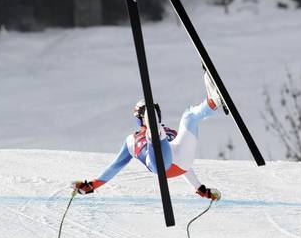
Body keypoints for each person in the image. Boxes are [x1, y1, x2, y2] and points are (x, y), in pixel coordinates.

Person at [73, 69, 223, 201]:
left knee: (189, 117)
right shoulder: (131, 140)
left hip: (181, 161)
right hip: (160, 165)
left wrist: (200, 188)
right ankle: (153, 130)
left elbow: (184, 164)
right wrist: (92, 185)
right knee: (157, 134)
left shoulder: (170, 132)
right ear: (140, 118)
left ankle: (213, 102)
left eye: (155, 112)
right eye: (151, 113)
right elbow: (115, 166)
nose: (156, 114)